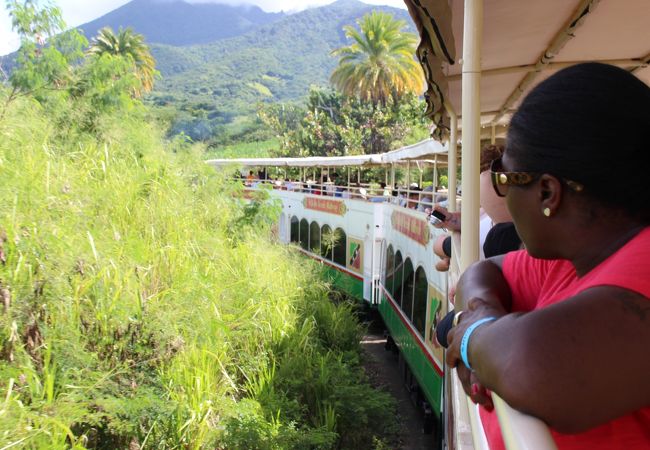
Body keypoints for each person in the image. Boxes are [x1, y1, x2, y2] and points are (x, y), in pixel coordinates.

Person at [443, 63, 650, 449]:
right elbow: (482, 271)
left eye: (505, 179)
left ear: (547, 194)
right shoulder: (571, 256)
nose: (502, 194)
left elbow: (530, 365)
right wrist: (485, 315)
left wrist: (472, 337)